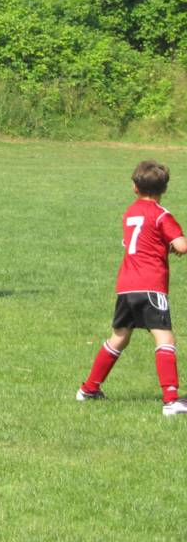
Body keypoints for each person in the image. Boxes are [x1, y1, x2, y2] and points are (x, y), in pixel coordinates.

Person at [77, 161, 187, 415]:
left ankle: (88, 389)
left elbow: (133, 242)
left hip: (126, 286)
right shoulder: (161, 214)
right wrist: (174, 244)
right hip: (151, 285)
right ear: (165, 189)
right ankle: (171, 400)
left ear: (134, 188)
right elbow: (181, 246)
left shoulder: (130, 213)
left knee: (119, 337)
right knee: (164, 337)